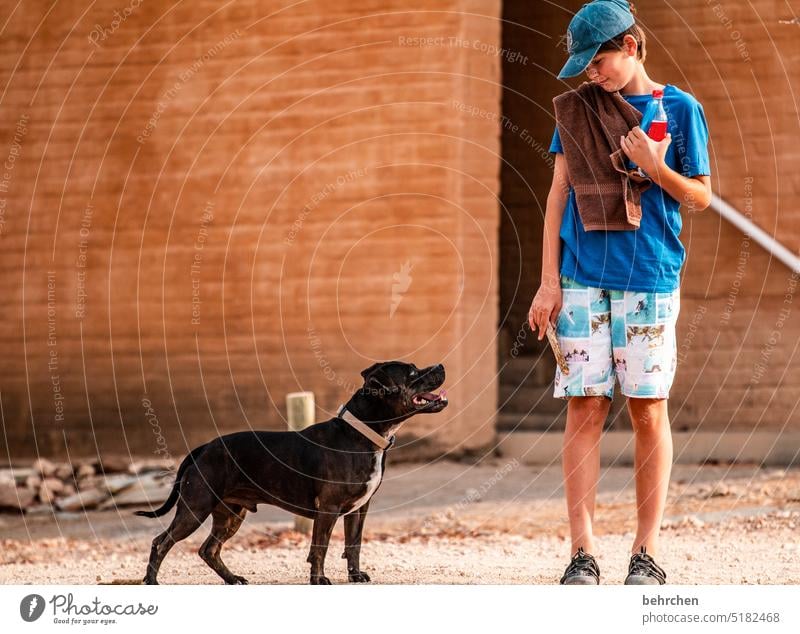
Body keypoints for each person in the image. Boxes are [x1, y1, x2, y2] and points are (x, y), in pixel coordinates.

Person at [528, 0, 712, 585]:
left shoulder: (680, 109)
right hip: (581, 280)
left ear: (630, 46)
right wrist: (547, 281)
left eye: (599, 59)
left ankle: (645, 552)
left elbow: (700, 198)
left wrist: (653, 167)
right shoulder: (577, 111)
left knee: (647, 409)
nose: (592, 73)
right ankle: (581, 553)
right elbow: (557, 194)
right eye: (584, 64)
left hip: (650, 279)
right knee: (584, 406)